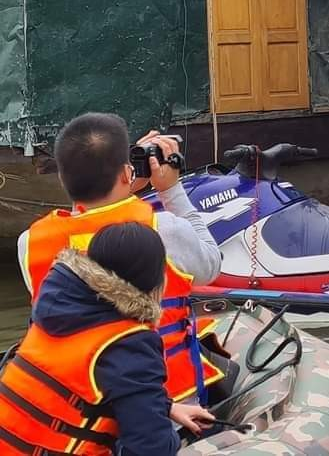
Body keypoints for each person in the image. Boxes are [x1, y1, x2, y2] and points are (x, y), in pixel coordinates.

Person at [16, 113, 226, 405]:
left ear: (62, 178)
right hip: (164, 402)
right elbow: (212, 264)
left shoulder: (29, 242)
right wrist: (170, 189)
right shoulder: (162, 229)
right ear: (127, 173)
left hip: (77, 407)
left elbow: (82, 223)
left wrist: (124, 185)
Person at [0, 222, 214, 454]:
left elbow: (78, 383)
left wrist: (166, 407)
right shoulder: (130, 342)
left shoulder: (52, 310)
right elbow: (151, 449)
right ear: (156, 281)